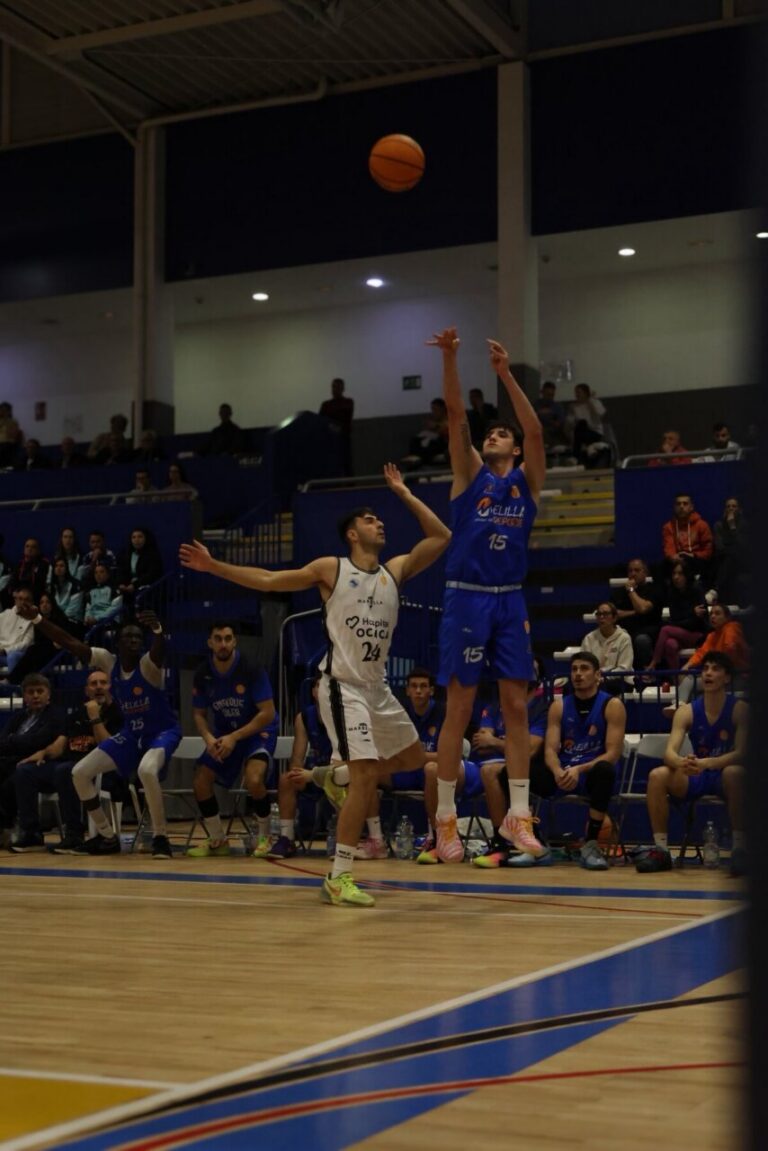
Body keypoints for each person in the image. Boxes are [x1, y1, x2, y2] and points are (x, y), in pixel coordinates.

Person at [180, 462, 451, 908]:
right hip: (342, 686)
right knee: (366, 776)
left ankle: (332, 775)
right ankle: (339, 876)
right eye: (370, 520)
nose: (380, 523)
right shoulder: (332, 569)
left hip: (378, 688)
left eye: (380, 519)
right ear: (352, 534)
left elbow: (441, 537)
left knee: (413, 758)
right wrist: (214, 567)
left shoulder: (394, 572)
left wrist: (404, 494)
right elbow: (270, 580)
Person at [426, 328, 546, 863]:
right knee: (460, 706)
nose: (494, 435)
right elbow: (456, 415)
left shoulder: (527, 482)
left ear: (514, 449)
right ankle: (445, 820)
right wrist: (451, 359)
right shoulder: (469, 473)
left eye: (502, 433)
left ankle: (519, 816)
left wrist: (505, 375)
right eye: (490, 432)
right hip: (468, 596)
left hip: (509, 598)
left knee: (516, 704)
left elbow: (535, 430)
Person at [15, 604, 182, 858]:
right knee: (79, 772)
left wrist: (158, 631)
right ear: (117, 643)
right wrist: (38, 619)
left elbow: (159, 652)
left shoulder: (148, 665)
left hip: (162, 731)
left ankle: (161, 838)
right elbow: (70, 642)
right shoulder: (108, 661)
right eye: (128, 636)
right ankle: (106, 836)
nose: (134, 641)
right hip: (132, 734)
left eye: (138, 637)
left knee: (147, 770)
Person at [636, 651, 747, 877]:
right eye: (705, 669)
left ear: (727, 677)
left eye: (715, 669)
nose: (708, 673)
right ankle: (661, 851)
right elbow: (669, 753)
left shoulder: (740, 709)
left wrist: (708, 763)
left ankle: (740, 849)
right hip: (698, 773)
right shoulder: (686, 711)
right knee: (657, 775)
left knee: (735, 772)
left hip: (722, 773)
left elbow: (742, 753)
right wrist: (682, 762)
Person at [186, 621, 279, 859]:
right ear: (210, 643)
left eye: (228, 638)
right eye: (218, 639)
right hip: (225, 733)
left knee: (254, 779)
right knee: (201, 781)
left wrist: (234, 737)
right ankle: (218, 839)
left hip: (257, 731)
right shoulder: (203, 673)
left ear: (235, 641)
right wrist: (208, 738)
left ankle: (265, 837)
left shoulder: (251, 668)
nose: (223, 644)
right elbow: (198, 714)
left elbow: (267, 713)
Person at [10, 668, 123, 852]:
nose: (98, 687)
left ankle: (74, 833)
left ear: (111, 686)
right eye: (93, 684)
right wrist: (43, 752)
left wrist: (95, 718)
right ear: (86, 690)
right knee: (25, 771)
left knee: (65, 770)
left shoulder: (117, 713)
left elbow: (110, 747)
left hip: (102, 772)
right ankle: (31, 834)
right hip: (68, 767)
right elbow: (60, 745)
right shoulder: (76, 715)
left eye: (103, 683)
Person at [542, 652, 627, 871]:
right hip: (564, 773)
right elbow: (550, 749)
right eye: (574, 669)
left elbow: (613, 753)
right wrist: (557, 770)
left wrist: (578, 769)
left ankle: (591, 844)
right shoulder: (559, 706)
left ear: (598, 675)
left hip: (591, 773)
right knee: (516, 772)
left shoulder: (612, 705)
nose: (578, 674)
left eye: (584, 669)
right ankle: (533, 844)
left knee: (605, 770)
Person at [356, 665, 447, 862]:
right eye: (414, 686)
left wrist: (415, 757)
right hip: (406, 770)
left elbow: (447, 756)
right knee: (369, 772)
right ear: (407, 690)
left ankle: (434, 838)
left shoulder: (443, 712)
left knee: (432, 770)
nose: (418, 691)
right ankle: (376, 840)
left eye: (423, 686)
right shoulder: (399, 714)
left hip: (430, 773)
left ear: (432, 690)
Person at [470, 667, 550, 867]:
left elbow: (530, 749)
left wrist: (495, 741)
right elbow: (480, 743)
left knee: (491, 771)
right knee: (433, 769)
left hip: (522, 767)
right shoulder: (493, 705)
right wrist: (506, 744)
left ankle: (500, 844)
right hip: (485, 764)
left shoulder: (540, 708)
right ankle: (437, 837)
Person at [271, 672, 345, 860]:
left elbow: (345, 760)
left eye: (328, 686)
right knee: (286, 779)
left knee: (342, 782)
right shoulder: (303, 717)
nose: (323, 690)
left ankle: (343, 840)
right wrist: (297, 773)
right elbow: (297, 756)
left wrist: (316, 775)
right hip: (313, 771)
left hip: (336, 772)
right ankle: (287, 838)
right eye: (319, 685)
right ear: (313, 692)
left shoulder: (344, 716)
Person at [0, 674, 67, 846]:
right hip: (15, 761)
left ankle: (29, 831)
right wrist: (17, 742)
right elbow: (2, 742)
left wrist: (13, 740)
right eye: (31, 692)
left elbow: (39, 741)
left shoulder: (56, 715)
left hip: (44, 764)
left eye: (40, 691)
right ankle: (4, 826)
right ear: (24, 696)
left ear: (48, 694)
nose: (35, 695)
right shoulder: (18, 717)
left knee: (14, 780)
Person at [668, 603, 750, 710]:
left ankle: (678, 708)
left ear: (727, 618)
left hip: (737, 677)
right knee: (695, 694)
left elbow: (730, 648)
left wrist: (716, 669)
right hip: (720, 675)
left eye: (717, 613)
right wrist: (687, 666)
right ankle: (686, 712)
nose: (713, 616)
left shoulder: (732, 627)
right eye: (711, 614)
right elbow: (701, 653)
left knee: (690, 681)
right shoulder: (712, 635)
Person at [646, 561, 708, 678]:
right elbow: (676, 618)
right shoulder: (672, 592)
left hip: (697, 634)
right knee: (670, 644)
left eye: (680, 573)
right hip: (680, 634)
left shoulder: (697, 590)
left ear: (687, 575)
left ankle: (653, 664)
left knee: (665, 629)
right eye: (674, 573)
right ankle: (678, 680)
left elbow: (697, 622)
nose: (676, 577)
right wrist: (691, 613)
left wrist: (684, 619)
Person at [610, 558, 664, 669]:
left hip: (649, 631)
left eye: (637, 570)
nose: (633, 574)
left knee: (641, 640)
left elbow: (642, 608)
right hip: (625, 630)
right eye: (630, 571)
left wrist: (631, 591)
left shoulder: (654, 589)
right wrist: (635, 612)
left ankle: (648, 672)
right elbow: (614, 614)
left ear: (645, 573)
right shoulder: (619, 592)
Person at [579, 602, 634, 691]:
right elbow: (584, 664)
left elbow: (624, 668)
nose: (601, 617)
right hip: (595, 679)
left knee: (602, 687)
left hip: (620, 680)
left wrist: (604, 677)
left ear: (614, 618)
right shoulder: (589, 638)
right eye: (599, 614)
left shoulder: (624, 638)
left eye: (605, 614)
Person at [661, 493, 713, 581]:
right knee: (658, 568)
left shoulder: (702, 525)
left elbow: (707, 550)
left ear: (691, 507)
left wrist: (693, 555)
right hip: (676, 560)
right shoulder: (668, 526)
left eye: (685, 504)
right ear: (674, 507)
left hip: (695, 559)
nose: (681, 507)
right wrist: (674, 557)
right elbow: (668, 547)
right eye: (678, 504)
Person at [711, 497, 749, 607]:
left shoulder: (745, 526)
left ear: (739, 509)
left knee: (733, 555)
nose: (731, 509)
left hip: (742, 560)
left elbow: (744, 548)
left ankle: (715, 589)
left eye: (734, 506)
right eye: (728, 506)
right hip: (723, 560)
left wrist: (732, 527)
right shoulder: (719, 525)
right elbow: (719, 548)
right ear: (725, 510)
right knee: (729, 557)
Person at [116, 527, 164, 613]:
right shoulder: (126, 554)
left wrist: (135, 585)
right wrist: (122, 583)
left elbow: (152, 574)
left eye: (140, 537)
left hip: (146, 588)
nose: (136, 540)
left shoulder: (153, 554)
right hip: (129, 588)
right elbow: (122, 571)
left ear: (146, 538)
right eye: (133, 537)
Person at [566, 383, 611, 468]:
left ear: (586, 393)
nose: (577, 395)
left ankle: (575, 456)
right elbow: (570, 423)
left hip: (595, 432)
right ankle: (589, 447)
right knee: (581, 424)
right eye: (576, 392)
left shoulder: (594, 402)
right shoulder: (574, 406)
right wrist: (570, 414)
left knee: (582, 424)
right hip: (581, 433)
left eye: (579, 392)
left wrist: (591, 400)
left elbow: (601, 413)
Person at [319, 377, 354, 474]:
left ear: (342, 389)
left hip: (343, 439)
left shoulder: (347, 402)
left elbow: (345, 418)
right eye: (333, 387)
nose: (335, 390)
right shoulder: (326, 405)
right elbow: (321, 421)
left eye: (337, 387)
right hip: (331, 440)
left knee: (346, 465)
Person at [402, 398, 450, 469]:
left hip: (445, 444)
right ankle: (414, 457)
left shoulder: (449, 419)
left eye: (435, 409)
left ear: (442, 409)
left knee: (432, 443)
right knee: (415, 440)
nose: (433, 412)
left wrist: (436, 426)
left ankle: (418, 458)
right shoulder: (435, 420)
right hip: (434, 442)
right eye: (432, 409)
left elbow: (446, 429)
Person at [0, 585, 37, 674]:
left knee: (13, 656)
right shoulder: (4, 615)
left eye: (26, 600)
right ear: (15, 600)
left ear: (31, 602)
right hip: (1, 654)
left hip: (19, 654)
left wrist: (5, 650)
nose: (23, 602)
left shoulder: (33, 619)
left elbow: (26, 644)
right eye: (20, 599)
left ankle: (12, 682)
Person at [47, 558, 84, 632]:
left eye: (61, 566)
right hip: (57, 621)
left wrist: (58, 620)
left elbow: (72, 610)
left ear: (66, 568)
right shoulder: (51, 586)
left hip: (73, 621)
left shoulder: (76, 585)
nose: (58, 568)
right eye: (56, 566)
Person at [83, 562, 123, 631]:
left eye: (101, 572)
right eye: (96, 573)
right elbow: (88, 609)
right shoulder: (91, 591)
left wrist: (97, 618)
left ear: (108, 574)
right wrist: (87, 619)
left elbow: (114, 609)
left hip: (109, 622)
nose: (98, 575)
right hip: (93, 622)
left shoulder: (114, 590)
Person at [533, 381, 568, 456]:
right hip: (537, 429)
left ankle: (550, 446)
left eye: (552, 395)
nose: (549, 397)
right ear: (542, 393)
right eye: (547, 394)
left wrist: (549, 420)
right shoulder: (536, 404)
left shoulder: (557, 406)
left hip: (552, 431)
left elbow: (559, 423)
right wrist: (539, 414)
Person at [12, 538, 50, 602]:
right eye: (27, 546)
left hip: (36, 598)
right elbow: (13, 582)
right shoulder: (19, 565)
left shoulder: (44, 564)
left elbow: (41, 585)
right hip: (19, 597)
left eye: (33, 547)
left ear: (38, 551)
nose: (29, 549)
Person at [0, 401, 22, 467]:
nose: (3, 412)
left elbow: (13, 435)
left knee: (8, 463)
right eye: (2, 410)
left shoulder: (13, 421)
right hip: (1, 444)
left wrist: (6, 421)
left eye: (5, 410)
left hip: (9, 445)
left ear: (9, 411)